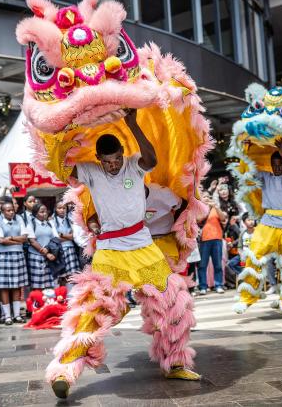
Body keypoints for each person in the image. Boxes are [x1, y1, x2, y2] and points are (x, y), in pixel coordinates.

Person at [46, 109, 199, 399]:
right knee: (92, 309)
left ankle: (176, 363)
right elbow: (61, 169)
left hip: (143, 247)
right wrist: (63, 133)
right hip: (110, 252)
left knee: (172, 302)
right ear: (100, 159)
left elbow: (151, 159)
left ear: (121, 154)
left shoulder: (133, 165)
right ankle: (65, 370)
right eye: (108, 161)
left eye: (116, 159)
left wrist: (132, 123)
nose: (113, 165)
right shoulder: (91, 171)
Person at [233, 139, 282, 320]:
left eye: (280, 164)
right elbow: (245, 174)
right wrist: (247, 148)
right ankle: (246, 297)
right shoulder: (265, 177)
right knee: (255, 255)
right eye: (274, 165)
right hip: (267, 223)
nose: (277, 168)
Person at [0, 201, 29, 325]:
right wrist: (18, 241)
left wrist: (11, 238)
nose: (11, 212)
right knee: (4, 287)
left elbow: (25, 238)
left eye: (12, 209)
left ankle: (16, 315)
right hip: (4, 256)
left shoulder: (19, 220)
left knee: (17, 286)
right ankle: (7, 316)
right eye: (8, 210)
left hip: (18, 255)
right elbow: (1, 241)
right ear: (2, 212)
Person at [199, 193, 227, 294]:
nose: (206, 198)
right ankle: (203, 286)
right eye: (204, 197)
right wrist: (207, 208)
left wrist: (216, 207)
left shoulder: (215, 208)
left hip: (217, 238)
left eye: (208, 197)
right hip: (204, 240)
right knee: (202, 265)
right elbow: (198, 219)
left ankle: (218, 285)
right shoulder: (200, 209)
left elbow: (223, 218)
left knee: (218, 264)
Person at [27, 203, 59, 290]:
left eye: (46, 211)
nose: (45, 213)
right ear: (35, 213)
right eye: (42, 212)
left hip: (49, 257)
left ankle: (48, 302)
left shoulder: (50, 224)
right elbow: (32, 241)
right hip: (36, 257)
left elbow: (55, 238)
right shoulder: (31, 224)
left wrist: (48, 251)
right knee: (37, 284)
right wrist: (45, 252)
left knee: (49, 283)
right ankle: (37, 301)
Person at [51, 202, 82, 286]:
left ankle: (72, 295)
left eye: (64, 208)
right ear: (55, 209)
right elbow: (55, 238)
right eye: (59, 208)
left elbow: (74, 236)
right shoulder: (52, 221)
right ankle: (62, 295)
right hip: (60, 250)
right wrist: (67, 236)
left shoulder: (69, 220)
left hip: (70, 249)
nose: (62, 210)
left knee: (72, 275)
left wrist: (62, 235)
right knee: (62, 277)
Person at [226, 213, 255, 281]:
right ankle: (245, 274)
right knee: (230, 264)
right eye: (249, 220)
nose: (251, 222)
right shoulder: (242, 234)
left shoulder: (258, 232)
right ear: (244, 222)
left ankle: (250, 275)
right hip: (243, 256)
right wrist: (241, 254)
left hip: (255, 255)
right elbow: (239, 246)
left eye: (252, 220)